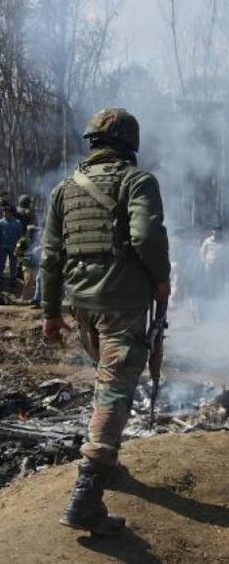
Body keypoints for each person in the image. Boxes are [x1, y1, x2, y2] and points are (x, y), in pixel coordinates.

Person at [40, 108, 170, 536]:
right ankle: (87, 494)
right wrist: (162, 279)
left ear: (92, 143)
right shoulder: (137, 181)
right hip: (122, 302)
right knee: (115, 390)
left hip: (83, 306)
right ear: (129, 145)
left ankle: (107, 465)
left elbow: (51, 257)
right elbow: (147, 235)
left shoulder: (64, 189)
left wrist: (51, 314)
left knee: (106, 382)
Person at [0, 205, 23, 286]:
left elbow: (20, 235)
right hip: (3, 246)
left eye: (6, 212)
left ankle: (13, 279)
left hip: (13, 247)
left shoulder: (17, 223)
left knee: (13, 264)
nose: (4, 213)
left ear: (11, 213)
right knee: (1, 263)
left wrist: (19, 246)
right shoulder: (1, 222)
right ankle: (1, 279)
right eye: (4, 212)